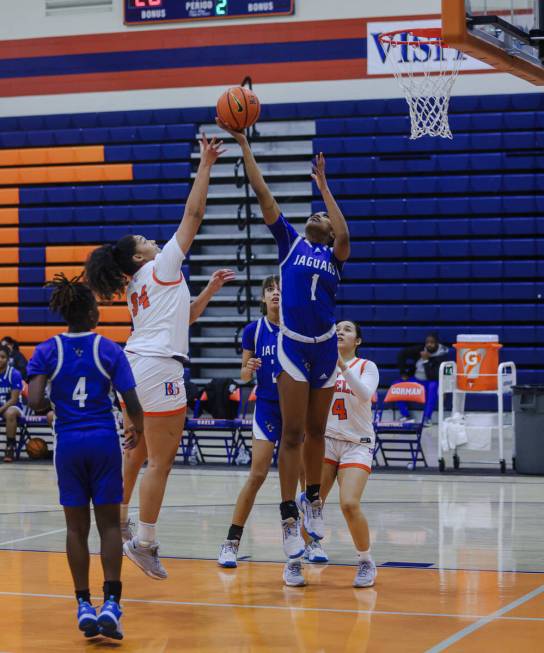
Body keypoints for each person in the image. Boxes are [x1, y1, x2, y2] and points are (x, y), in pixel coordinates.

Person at [85, 134, 229, 580]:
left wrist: (206, 292)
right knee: (159, 462)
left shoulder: (136, 286)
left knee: (139, 451)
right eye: (145, 240)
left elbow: (179, 321)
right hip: (159, 368)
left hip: (135, 366)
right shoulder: (161, 266)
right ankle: (144, 542)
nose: (152, 239)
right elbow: (194, 214)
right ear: (137, 255)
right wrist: (205, 164)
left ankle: (119, 519)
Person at [217, 119, 350, 587]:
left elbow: (344, 232)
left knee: (317, 430)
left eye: (322, 216)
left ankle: (314, 500)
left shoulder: (336, 253)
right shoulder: (290, 241)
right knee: (292, 435)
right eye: (314, 211)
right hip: (294, 348)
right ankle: (290, 519)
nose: (316, 214)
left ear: (329, 231)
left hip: (325, 349)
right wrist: (242, 143)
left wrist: (325, 187)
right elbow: (261, 192)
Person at [26, 273, 144, 640]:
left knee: (76, 528)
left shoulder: (47, 351)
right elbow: (133, 403)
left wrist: (52, 401)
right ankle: (111, 602)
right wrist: (136, 428)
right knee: (110, 525)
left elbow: (34, 402)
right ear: (92, 313)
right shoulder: (109, 349)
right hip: (103, 441)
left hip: (68, 444)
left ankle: (82, 604)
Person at [217, 276, 328, 570]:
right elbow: (242, 375)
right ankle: (231, 543)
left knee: (304, 474)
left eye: (280, 288)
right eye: (270, 289)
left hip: (296, 409)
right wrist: (248, 368)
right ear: (263, 298)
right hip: (267, 408)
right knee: (257, 473)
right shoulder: (253, 331)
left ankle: (310, 541)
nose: (276, 293)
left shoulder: (298, 329)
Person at [320, 320, 379, 588]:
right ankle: (296, 559)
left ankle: (366, 561)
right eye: (337, 329)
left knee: (349, 504)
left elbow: (365, 393)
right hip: (327, 440)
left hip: (357, 442)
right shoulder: (321, 365)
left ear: (358, 341)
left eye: (347, 329)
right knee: (311, 503)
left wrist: (342, 366)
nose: (341, 332)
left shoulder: (366, 366)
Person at [396, 332, 449, 426]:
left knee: (434, 386)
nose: (429, 344)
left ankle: (427, 418)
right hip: (417, 379)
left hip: (430, 381)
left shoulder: (442, 356)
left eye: (432, 342)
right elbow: (402, 354)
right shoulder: (420, 350)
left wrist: (426, 360)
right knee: (397, 385)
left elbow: (432, 376)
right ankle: (406, 416)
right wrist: (403, 373)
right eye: (427, 342)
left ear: (437, 343)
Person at [0, 344, 24, 463]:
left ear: (8, 359)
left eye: (2, 357)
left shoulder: (14, 374)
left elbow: (14, 399)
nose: (0, 359)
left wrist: (0, 410)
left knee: (10, 413)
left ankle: (10, 446)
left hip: (14, 407)